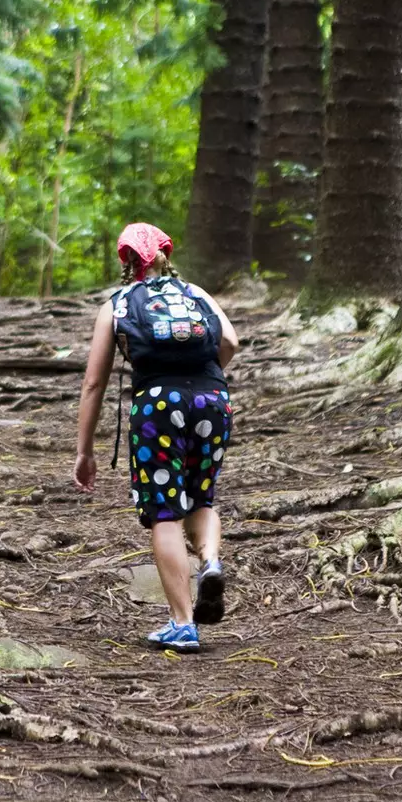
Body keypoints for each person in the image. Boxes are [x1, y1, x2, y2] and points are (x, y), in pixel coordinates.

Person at [73, 223, 240, 652]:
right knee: (201, 498)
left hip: (157, 408)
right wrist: (207, 381)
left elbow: (94, 383)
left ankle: (183, 624)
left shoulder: (118, 304)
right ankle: (212, 561)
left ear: (125, 260)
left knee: (165, 512)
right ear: (167, 252)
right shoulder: (197, 293)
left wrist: (84, 450)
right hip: (212, 401)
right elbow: (231, 342)